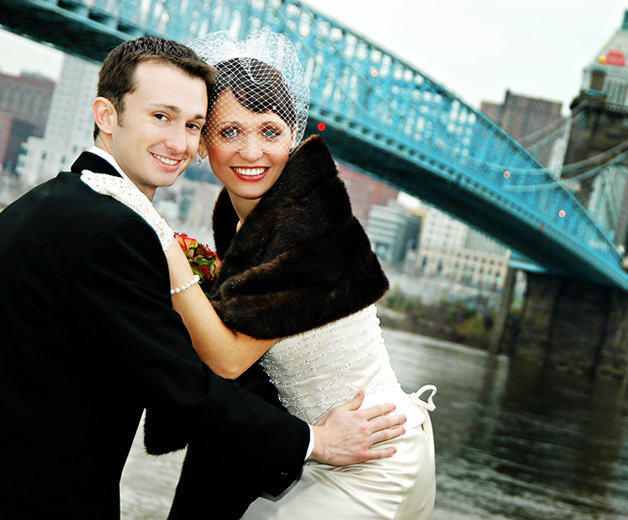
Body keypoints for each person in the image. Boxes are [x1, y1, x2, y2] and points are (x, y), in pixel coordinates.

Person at [0, 36, 406, 518]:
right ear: (106, 116)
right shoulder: (115, 229)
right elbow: (180, 384)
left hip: (373, 443)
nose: (179, 142)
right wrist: (313, 441)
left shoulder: (38, 204)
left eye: (192, 124)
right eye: (161, 116)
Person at [157, 30, 437, 519]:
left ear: (293, 135)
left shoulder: (304, 219)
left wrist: (165, 249)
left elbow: (228, 361)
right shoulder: (244, 218)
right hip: (335, 453)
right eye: (229, 132)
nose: (251, 151)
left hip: (375, 456)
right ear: (203, 144)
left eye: (269, 132)